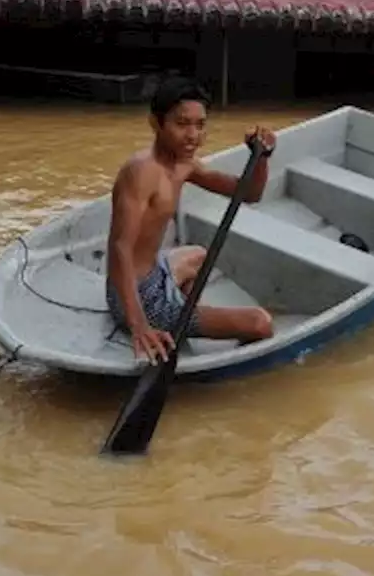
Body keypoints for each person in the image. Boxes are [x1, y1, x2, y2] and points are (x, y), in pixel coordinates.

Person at [105, 76, 278, 363]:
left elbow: (248, 193)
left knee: (198, 255)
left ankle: (184, 316)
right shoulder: (141, 171)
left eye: (200, 125)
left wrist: (261, 157)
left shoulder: (183, 165)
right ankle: (177, 319)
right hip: (138, 299)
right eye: (182, 124)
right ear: (155, 123)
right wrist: (140, 327)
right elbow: (120, 248)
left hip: (155, 273)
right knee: (261, 323)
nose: (193, 135)